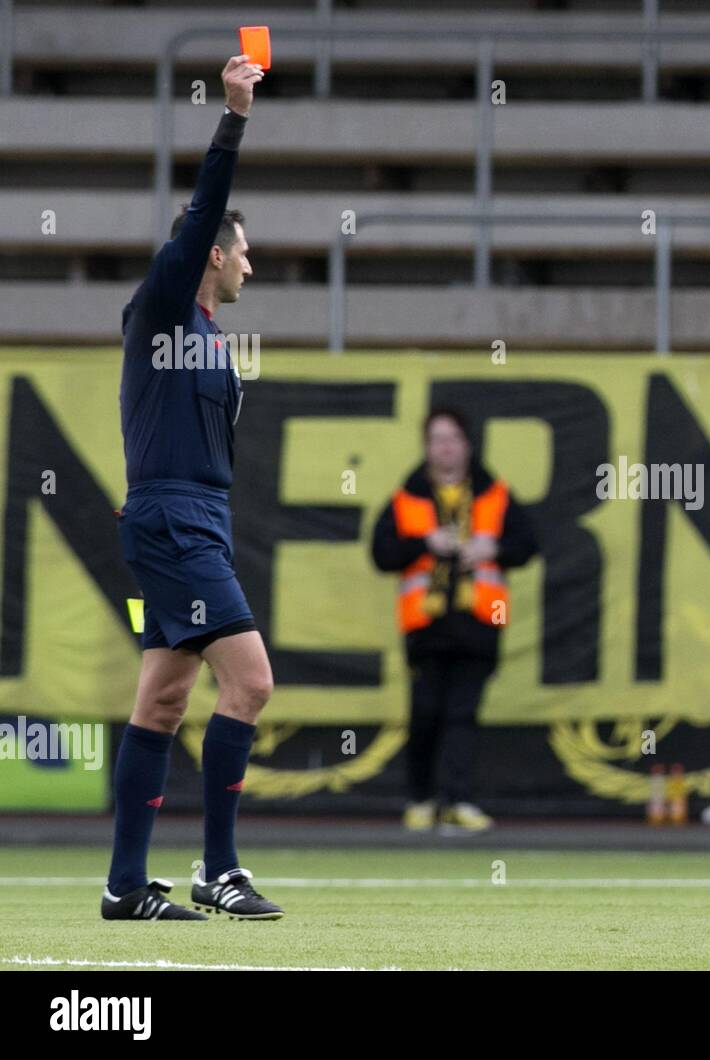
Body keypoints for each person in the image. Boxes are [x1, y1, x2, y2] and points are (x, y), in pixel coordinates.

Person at [108, 56, 283, 921]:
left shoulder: (211, 340)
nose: (251, 264)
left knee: (165, 698)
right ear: (212, 253)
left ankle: (124, 887)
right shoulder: (167, 304)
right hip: (173, 518)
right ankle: (218, 867)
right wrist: (235, 118)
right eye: (243, 251)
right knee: (250, 682)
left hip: (192, 519)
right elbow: (206, 208)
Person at [371, 407, 538, 835]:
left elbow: (528, 544)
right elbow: (382, 553)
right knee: (425, 711)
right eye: (437, 439)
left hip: (479, 621)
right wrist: (423, 543)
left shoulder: (494, 492)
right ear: (426, 446)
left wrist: (492, 548)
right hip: (425, 626)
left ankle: (460, 799)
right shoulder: (408, 495)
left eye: (453, 438)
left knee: (464, 713)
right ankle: (422, 798)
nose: (445, 448)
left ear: (468, 444)